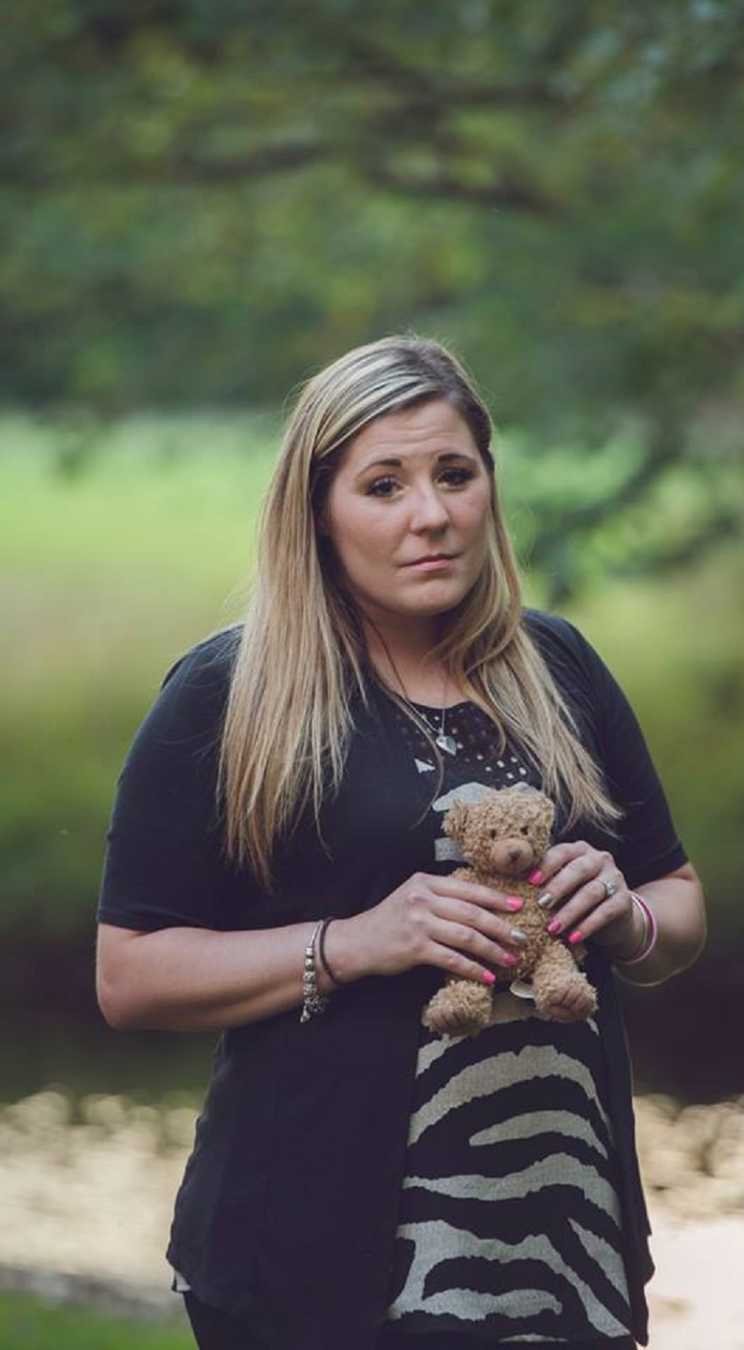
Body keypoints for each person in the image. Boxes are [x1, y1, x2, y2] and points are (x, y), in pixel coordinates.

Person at [95, 334, 706, 1350]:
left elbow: (679, 901)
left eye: (454, 475)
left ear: (488, 489)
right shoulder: (230, 695)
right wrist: (355, 942)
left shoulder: (558, 668)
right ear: (318, 513)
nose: (432, 514)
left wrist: (630, 916)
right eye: (383, 485)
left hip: (561, 1244)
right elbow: (129, 977)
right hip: (315, 1265)